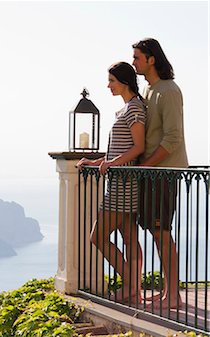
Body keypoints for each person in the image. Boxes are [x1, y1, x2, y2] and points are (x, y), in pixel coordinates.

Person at [77, 62, 145, 304]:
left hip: (124, 185)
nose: (108, 85)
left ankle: (132, 286)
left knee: (98, 237)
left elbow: (139, 147)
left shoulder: (135, 109)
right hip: (120, 180)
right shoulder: (127, 109)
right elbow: (120, 150)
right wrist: (95, 161)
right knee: (128, 237)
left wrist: (112, 163)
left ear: (125, 82)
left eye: (112, 81)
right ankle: (133, 288)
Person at [132, 38, 188, 309]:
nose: (134, 63)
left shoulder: (169, 90)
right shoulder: (149, 89)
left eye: (137, 57)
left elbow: (172, 138)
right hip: (153, 175)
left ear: (151, 59)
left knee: (162, 232)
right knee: (157, 232)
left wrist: (146, 166)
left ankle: (174, 295)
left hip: (163, 174)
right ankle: (168, 291)